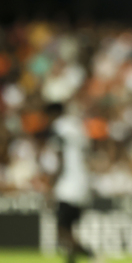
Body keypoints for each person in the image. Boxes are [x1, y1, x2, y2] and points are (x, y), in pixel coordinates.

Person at [45, 103, 94, 263]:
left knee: (62, 230)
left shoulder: (58, 127)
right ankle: (72, 260)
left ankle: (93, 256)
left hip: (68, 184)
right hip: (83, 182)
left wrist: (51, 187)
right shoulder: (78, 126)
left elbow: (60, 160)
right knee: (70, 230)